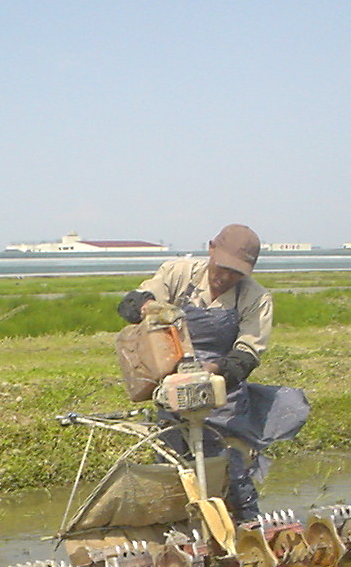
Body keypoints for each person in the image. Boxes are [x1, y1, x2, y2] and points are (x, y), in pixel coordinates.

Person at [117, 224, 309, 524]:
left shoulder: (256, 298)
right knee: (173, 466)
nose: (226, 277)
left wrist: (210, 371)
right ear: (210, 249)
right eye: (222, 268)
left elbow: (247, 354)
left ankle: (248, 530)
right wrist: (149, 307)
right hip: (173, 386)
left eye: (236, 272)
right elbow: (131, 304)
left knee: (233, 470)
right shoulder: (178, 273)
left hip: (224, 392)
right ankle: (178, 532)